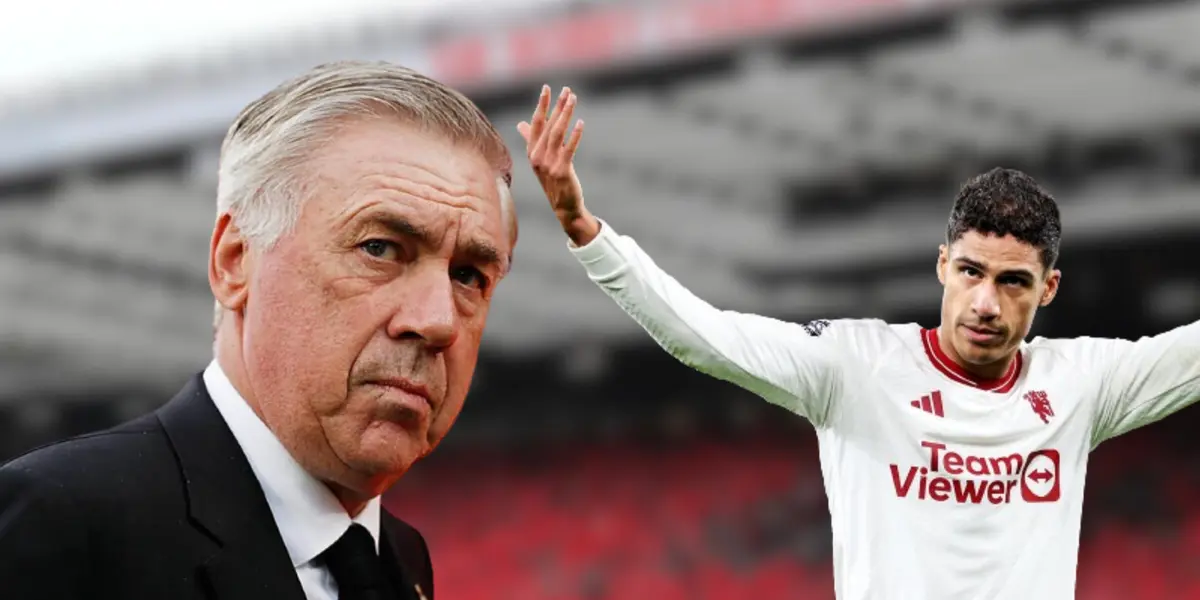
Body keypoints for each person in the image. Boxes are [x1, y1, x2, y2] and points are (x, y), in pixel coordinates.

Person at [517, 85, 1200, 599]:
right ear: (942, 266)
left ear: (1049, 289)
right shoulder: (859, 367)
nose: (986, 302)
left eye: (1014, 281)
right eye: (970, 272)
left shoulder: (1082, 383)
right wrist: (584, 228)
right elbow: (702, 336)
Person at [0, 60, 519, 600]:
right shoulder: (62, 526)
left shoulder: (400, 560)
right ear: (235, 261)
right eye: (379, 248)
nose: (437, 321)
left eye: (468, 276)